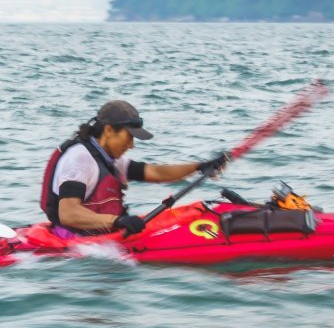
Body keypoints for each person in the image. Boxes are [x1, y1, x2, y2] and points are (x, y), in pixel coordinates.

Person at [39, 100, 227, 239]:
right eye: (129, 137)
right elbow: (68, 214)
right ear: (109, 130)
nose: (131, 145)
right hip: (75, 244)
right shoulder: (80, 159)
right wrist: (116, 221)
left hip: (102, 239)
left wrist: (199, 166)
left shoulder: (110, 159)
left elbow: (157, 173)